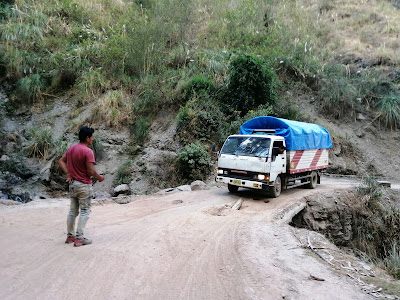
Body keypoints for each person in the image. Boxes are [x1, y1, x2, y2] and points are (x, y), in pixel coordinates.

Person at [59, 126, 105, 247]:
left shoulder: (71, 148)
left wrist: (68, 173)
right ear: (87, 138)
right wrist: (100, 177)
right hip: (84, 185)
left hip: (72, 184)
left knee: (72, 211)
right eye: (92, 137)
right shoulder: (88, 151)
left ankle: (70, 236)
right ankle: (79, 238)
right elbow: (90, 171)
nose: (93, 139)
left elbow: (61, 161)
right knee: (85, 210)